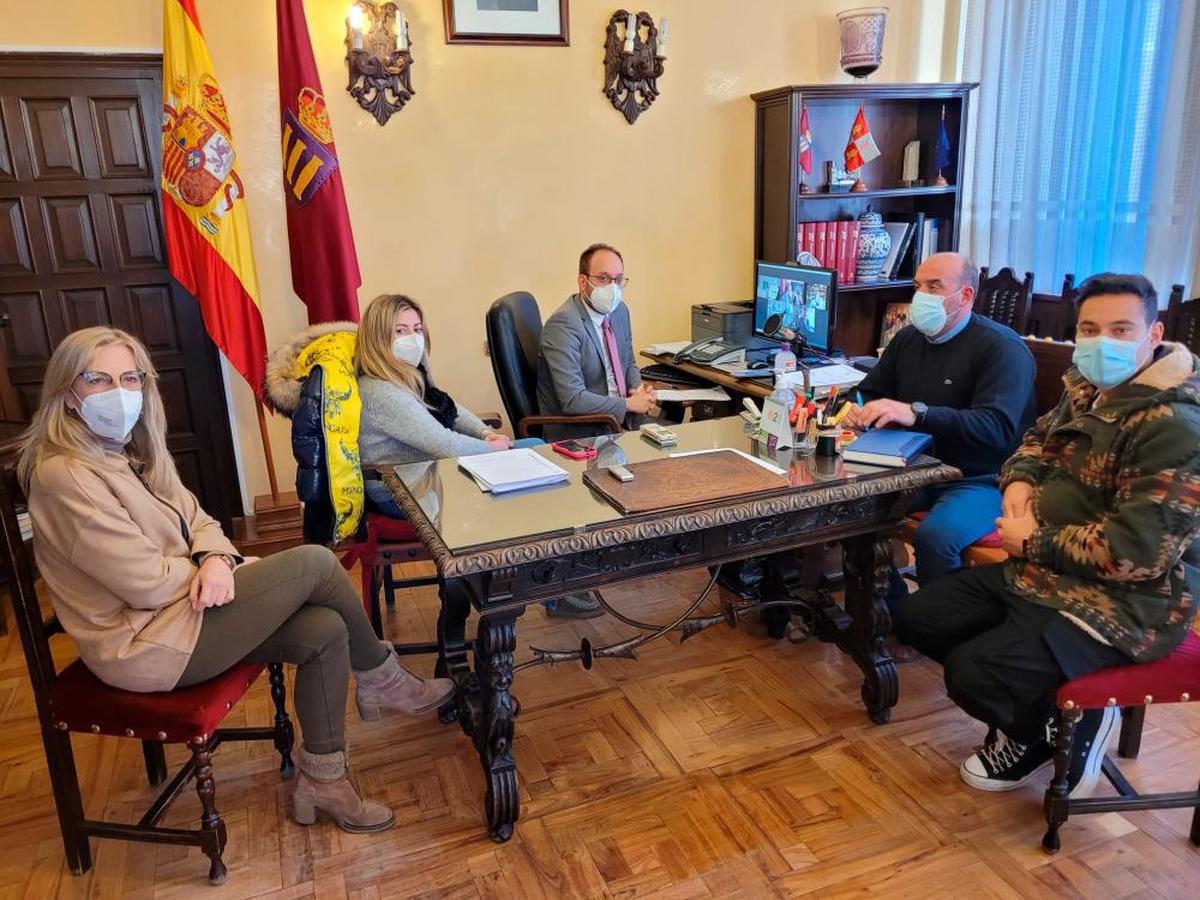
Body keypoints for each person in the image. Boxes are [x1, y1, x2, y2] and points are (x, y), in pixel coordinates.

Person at [21, 327, 455, 834]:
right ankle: (382, 678)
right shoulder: (64, 475)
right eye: (97, 380)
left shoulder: (130, 455)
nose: (119, 393)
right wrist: (219, 567)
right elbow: (142, 581)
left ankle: (324, 780)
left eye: (129, 378)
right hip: (144, 645)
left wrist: (215, 559)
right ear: (67, 394)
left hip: (182, 613)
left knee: (323, 631)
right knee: (315, 562)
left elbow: (203, 521)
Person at [896, 273, 1200, 797]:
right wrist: (1017, 483)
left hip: (1125, 606)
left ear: (1154, 334)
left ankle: (1060, 729)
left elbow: (1139, 553)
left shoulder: (1173, 425)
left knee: (973, 674)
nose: (1104, 341)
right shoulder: (1086, 389)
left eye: (1122, 328)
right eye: (1090, 328)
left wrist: (1029, 542)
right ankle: (1046, 719)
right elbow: (1032, 443)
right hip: (1042, 571)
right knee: (917, 617)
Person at [844, 252, 1036, 602]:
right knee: (850, 509)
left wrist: (918, 413)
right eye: (918, 286)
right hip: (913, 466)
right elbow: (870, 391)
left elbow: (996, 428)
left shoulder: (1002, 349)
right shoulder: (908, 339)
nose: (922, 296)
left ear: (965, 296)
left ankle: (933, 629)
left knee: (937, 537)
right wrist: (858, 410)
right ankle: (892, 610)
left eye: (935, 286)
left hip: (981, 477)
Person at [357, 294, 516, 518]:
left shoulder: (409, 376)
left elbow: (452, 409)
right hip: (401, 490)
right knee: (524, 463)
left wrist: (485, 432)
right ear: (377, 339)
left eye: (417, 329)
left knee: (532, 448)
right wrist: (491, 449)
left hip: (425, 474)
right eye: (400, 331)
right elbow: (444, 443)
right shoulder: (378, 391)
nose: (412, 338)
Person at [537, 242, 656, 444]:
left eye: (618, 280)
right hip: (582, 433)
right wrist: (629, 404)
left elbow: (628, 363)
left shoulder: (619, 311)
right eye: (603, 278)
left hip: (622, 423)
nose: (612, 287)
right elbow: (572, 400)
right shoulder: (564, 324)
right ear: (583, 282)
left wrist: (639, 391)